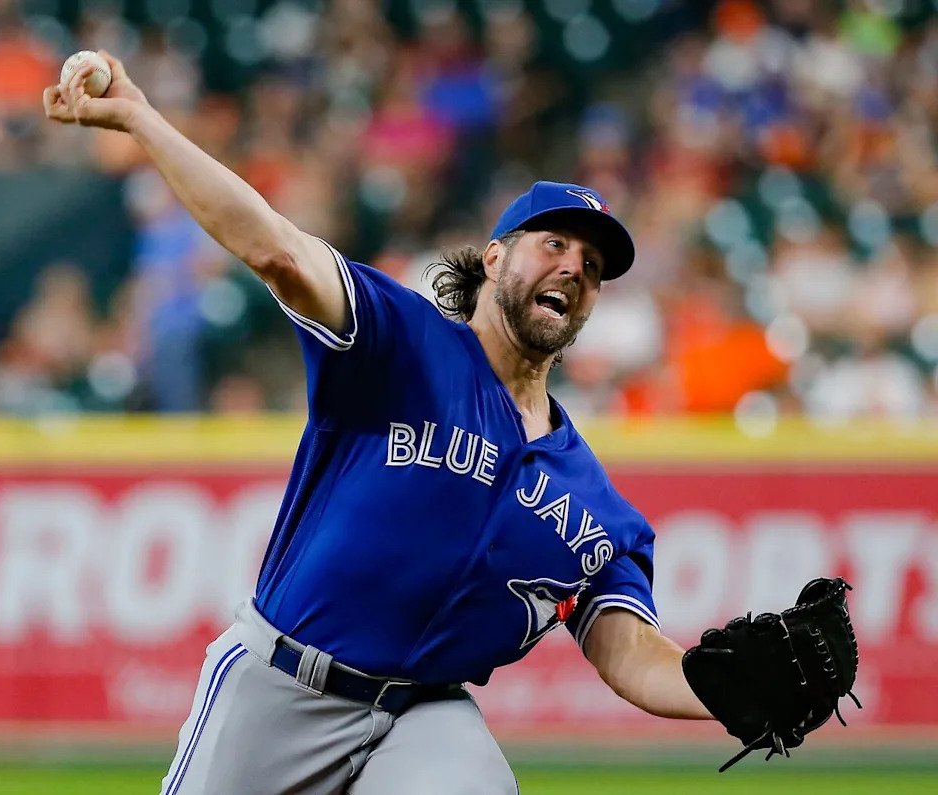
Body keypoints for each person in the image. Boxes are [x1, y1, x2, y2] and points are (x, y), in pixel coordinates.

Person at [44, 52, 714, 795]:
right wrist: (141, 118)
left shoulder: (589, 495)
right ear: (495, 258)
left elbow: (629, 650)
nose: (574, 269)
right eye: (554, 245)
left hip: (425, 716)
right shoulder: (401, 341)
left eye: (591, 266)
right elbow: (275, 247)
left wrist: (721, 686)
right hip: (284, 684)